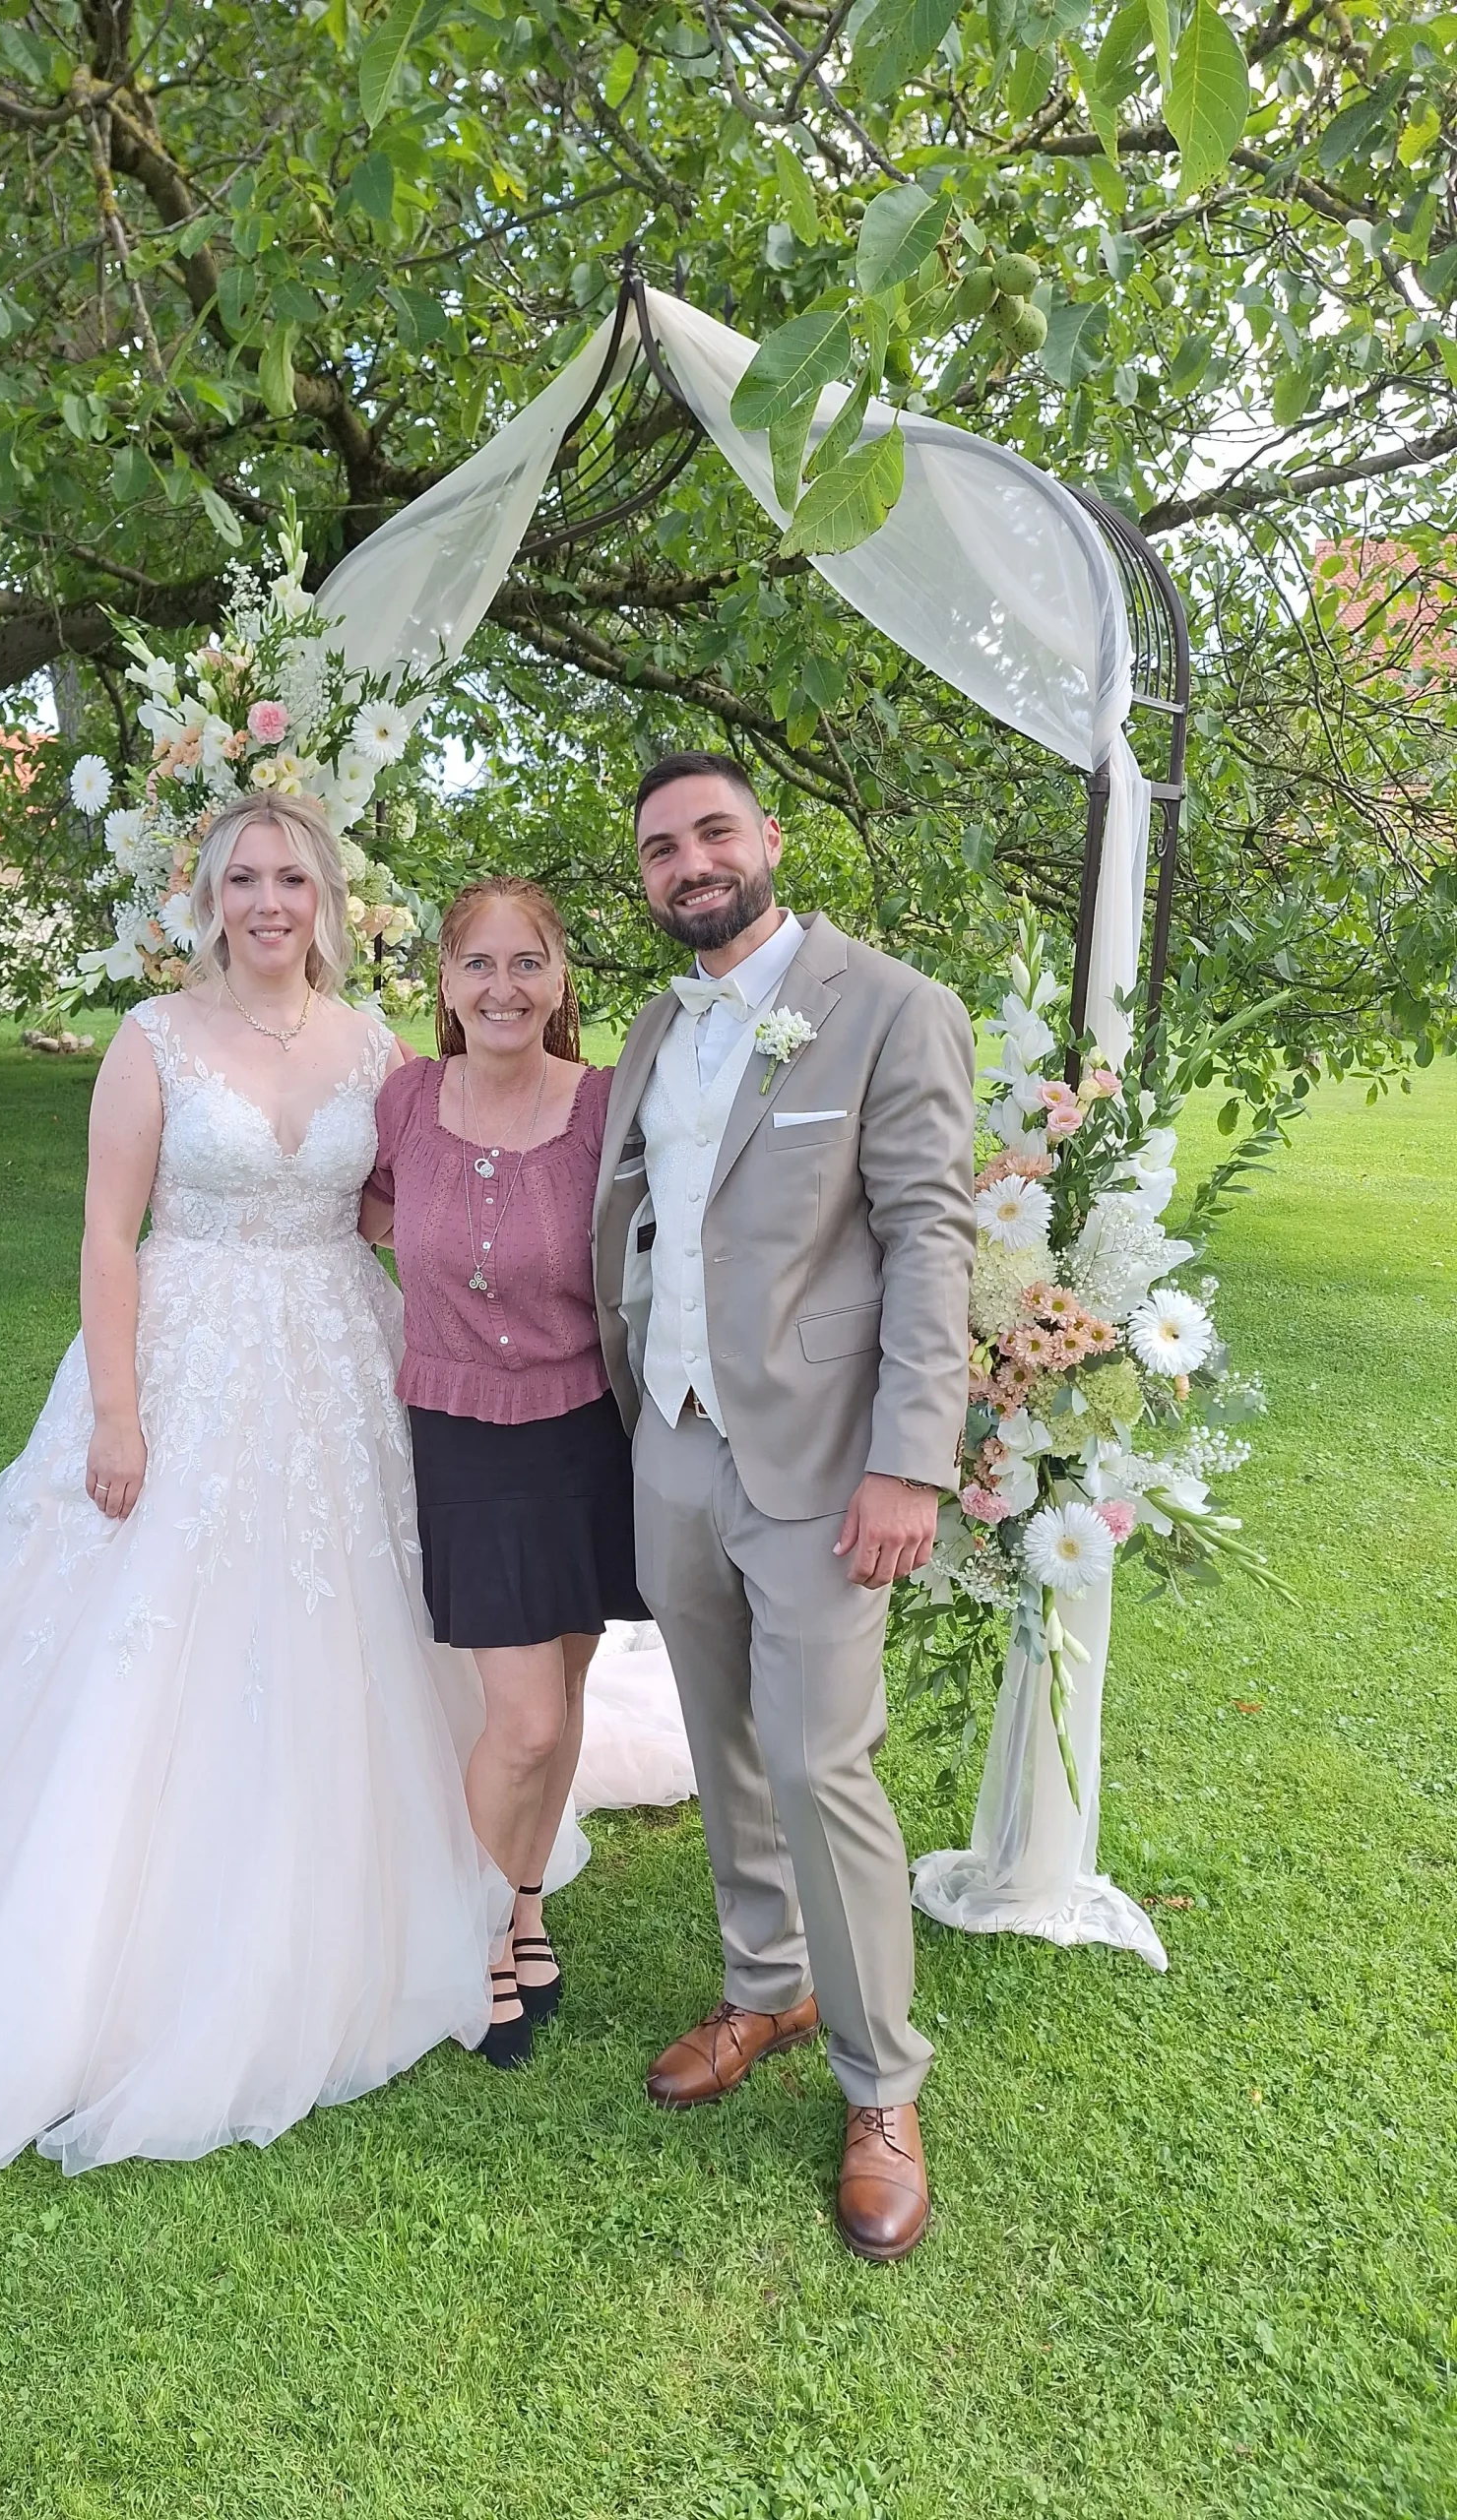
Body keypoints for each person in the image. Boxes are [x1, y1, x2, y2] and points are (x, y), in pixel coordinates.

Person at [0, 793, 500, 2182]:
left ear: (326, 895)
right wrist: (116, 1412)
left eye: (291, 877)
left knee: (353, 1621)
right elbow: (111, 1234)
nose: (268, 901)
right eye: (243, 879)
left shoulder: (376, 1047)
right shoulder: (153, 1038)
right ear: (209, 896)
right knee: (142, 1625)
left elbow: (400, 1215)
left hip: (341, 1354)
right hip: (183, 1359)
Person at [590, 753, 977, 2262]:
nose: (689, 863)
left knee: (824, 1765)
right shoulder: (648, 1027)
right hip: (673, 1442)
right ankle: (767, 1984)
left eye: (712, 834)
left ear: (768, 842)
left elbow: (931, 1240)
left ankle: (883, 2086)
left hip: (825, 1459)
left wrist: (911, 1460)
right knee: (721, 1744)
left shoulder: (887, 1006)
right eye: (660, 847)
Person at [363, 878, 646, 2068]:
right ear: (443, 982)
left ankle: (526, 1904)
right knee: (520, 1718)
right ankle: (469, 1933)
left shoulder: (604, 1105)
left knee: (568, 1692)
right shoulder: (407, 1102)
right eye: (478, 965)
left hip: (590, 1429)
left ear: (561, 979)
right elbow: (368, 1215)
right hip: (464, 1430)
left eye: (526, 963)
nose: (503, 988)